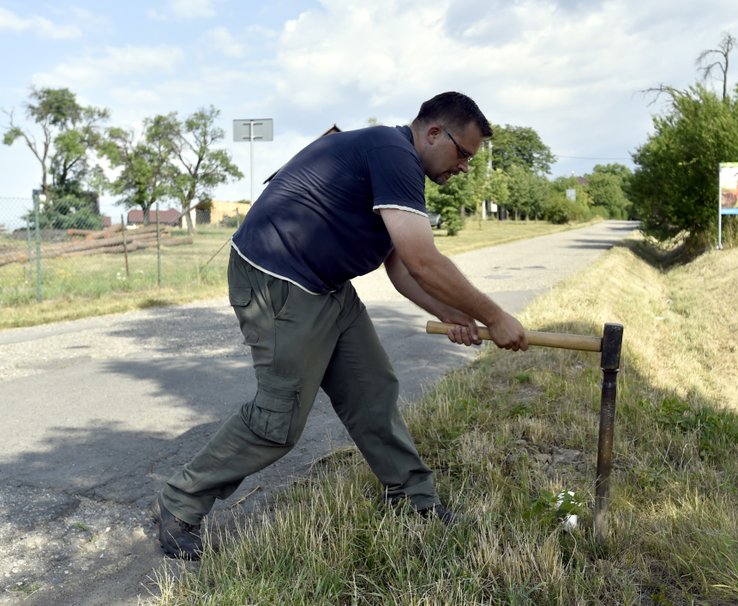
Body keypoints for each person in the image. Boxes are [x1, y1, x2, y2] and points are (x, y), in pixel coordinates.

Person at [155, 92, 528, 560]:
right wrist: (495, 316)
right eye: (464, 154)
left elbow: (401, 268)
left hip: (326, 285)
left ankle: (414, 502)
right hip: (278, 280)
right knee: (278, 420)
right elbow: (422, 259)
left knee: (373, 390)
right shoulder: (393, 154)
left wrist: (451, 313)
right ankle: (180, 503)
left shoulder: (396, 163)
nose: (465, 167)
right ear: (434, 133)